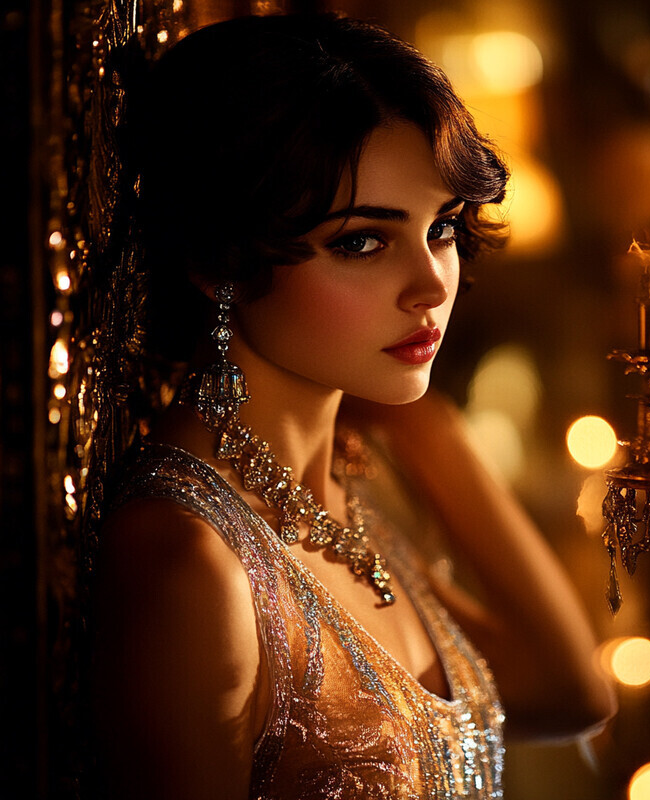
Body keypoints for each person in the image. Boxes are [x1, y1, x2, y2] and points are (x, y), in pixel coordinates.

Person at [90, 12, 615, 799]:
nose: (434, 285)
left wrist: (416, 415)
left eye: (440, 228)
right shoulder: (190, 564)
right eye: (362, 242)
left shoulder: (349, 487)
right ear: (216, 258)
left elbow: (573, 692)